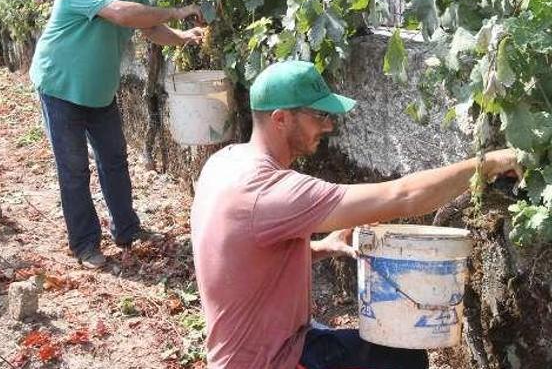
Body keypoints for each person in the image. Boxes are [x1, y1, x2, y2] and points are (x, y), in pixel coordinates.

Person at [191, 60, 520, 369]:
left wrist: (322, 248)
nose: (329, 125)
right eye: (319, 115)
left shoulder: (227, 162)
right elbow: (404, 196)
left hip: (244, 352)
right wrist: (488, 164)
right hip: (273, 360)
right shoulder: (270, 190)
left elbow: (242, 256)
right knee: (402, 361)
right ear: (280, 120)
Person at [30, 0, 206, 269]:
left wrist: (180, 38)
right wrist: (177, 11)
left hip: (99, 91)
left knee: (114, 160)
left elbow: (148, 25)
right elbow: (124, 15)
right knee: (74, 168)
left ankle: (126, 229)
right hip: (60, 87)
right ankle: (85, 245)